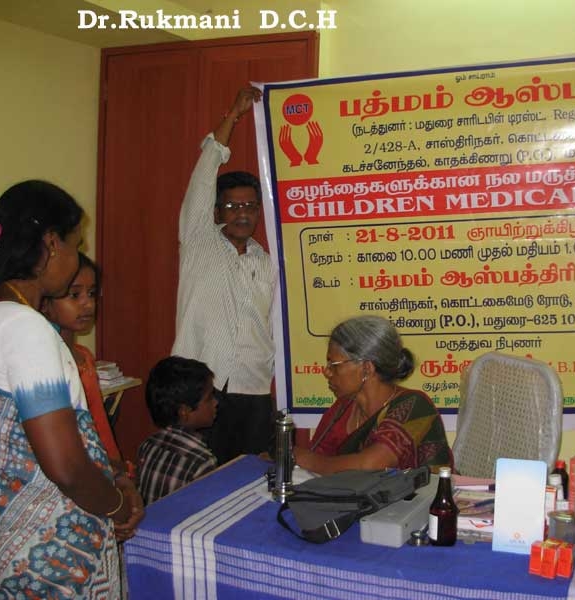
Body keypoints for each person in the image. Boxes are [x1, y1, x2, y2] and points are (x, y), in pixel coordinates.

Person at [0, 180, 143, 598]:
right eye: (76, 244)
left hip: (2, 543)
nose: (76, 258)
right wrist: (116, 505)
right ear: (52, 244)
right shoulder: (25, 327)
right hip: (50, 556)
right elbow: (66, 466)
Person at [172, 86, 277, 465]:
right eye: (232, 206)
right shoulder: (198, 241)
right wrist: (233, 115)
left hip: (254, 389)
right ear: (216, 212)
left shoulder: (268, 263)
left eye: (250, 206)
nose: (242, 213)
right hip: (200, 390)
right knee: (198, 477)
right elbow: (203, 177)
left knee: (253, 476)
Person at [294, 315, 453, 475]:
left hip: (422, 491)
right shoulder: (342, 409)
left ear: (367, 368)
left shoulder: (414, 405)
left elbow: (371, 465)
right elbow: (316, 463)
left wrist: (302, 457)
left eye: (334, 365)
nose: (326, 372)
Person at [42, 253, 124, 471]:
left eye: (92, 293)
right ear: (45, 303)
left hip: (103, 460)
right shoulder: (48, 362)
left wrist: (115, 464)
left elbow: (99, 420)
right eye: (74, 294)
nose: (88, 303)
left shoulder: (84, 355)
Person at [138, 356, 219, 505]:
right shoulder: (202, 462)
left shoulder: (147, 445)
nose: (215, 402)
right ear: (184, 412)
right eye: (209, 398)